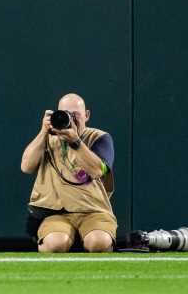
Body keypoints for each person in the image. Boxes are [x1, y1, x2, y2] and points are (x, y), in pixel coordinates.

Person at [20, 93, 116, 254]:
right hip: (57, 213)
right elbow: (26, 167)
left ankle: (86, 239)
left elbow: (99, 170)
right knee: (55, 245)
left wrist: (75, 141)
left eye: (76, 115)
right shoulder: (48, 138)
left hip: (93, 211)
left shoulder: (99, 138)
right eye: (65, 114)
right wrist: (43, 132)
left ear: (87, 115)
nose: (70, 119)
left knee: (98, 244)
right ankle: (69, 240)